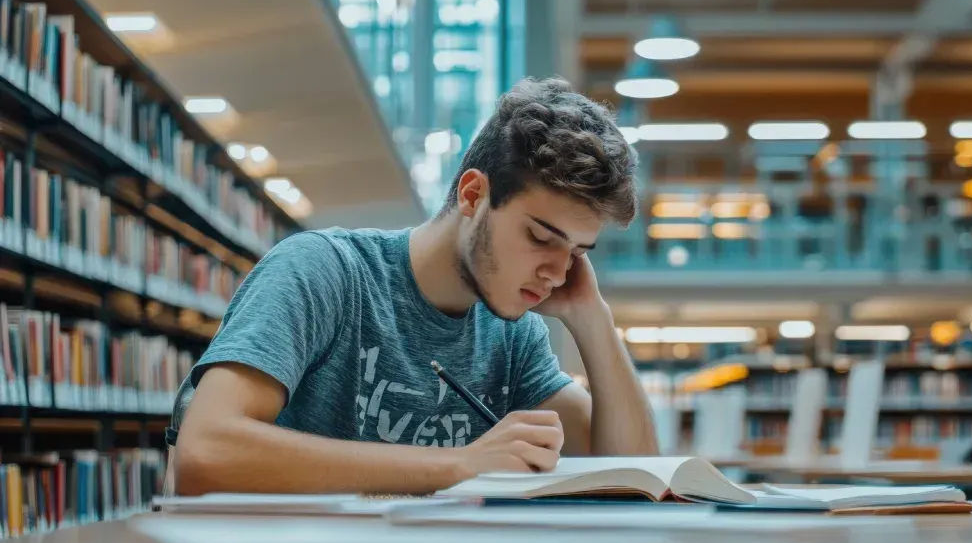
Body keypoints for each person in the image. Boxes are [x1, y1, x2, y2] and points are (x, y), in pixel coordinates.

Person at [167, 77, 658, 496]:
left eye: (576, 252)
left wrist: (592, 319)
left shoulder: (512, 335)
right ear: (473, 195)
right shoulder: (324, 271)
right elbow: (205, 452)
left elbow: (630, 477)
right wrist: (459, 465)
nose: (557, 271)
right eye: (540, 237)